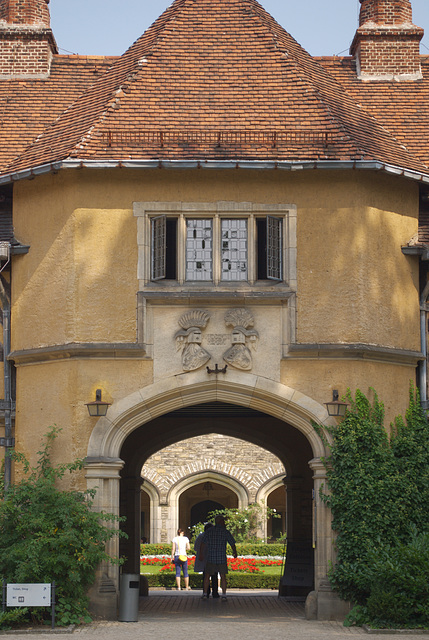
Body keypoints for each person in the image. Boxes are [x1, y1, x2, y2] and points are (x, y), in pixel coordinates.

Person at [198, 515, 237, 601]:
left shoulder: (209, 531)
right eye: (223, 521)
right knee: (223, 576)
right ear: (221, 522)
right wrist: (235, 552)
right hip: (221, 558)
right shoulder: (225, 532)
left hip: (211, 557)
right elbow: (232, 543)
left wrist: (201, 554)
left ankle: (205, 594)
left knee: (207, 576)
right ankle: (224, 595)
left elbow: (203, 543)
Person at [193, 523, 219, 598]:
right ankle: (215, 592)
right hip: (212, 558)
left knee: (206, 576)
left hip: (204, 559)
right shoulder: (214, 537)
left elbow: (196, 548)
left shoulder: (200, 536)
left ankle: (206, 592)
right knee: (214, 576)